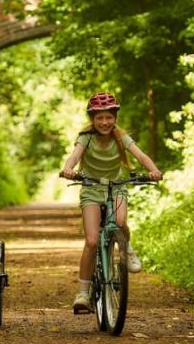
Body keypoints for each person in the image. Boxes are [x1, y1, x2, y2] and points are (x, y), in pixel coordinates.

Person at [59, 92, 163, 314]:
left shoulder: (120, 137)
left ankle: (127, 249)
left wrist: (153, 169)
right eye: (99, 118)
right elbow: (74, 156)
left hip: (116, 186)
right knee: (92, 241)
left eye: (108, 117)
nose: (104, 122)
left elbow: (141, 155)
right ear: (92, 119)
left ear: (115, 117)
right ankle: (83, 293)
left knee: (121, 222)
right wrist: (69, 169)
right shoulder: (85, 137)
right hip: (91, 188)